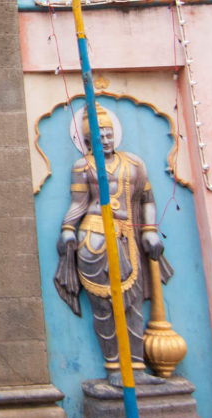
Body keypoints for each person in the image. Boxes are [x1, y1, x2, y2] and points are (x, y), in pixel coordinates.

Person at [54, 104, 172, 385]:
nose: (104, 140)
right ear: (86, 141)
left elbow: (148, 200)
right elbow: (78, 204)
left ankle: (137, 369)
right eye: (98, 136)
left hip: (127, 237)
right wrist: (68, 229)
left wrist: (151, 232)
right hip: (93, 240)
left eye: (108, 135)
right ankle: (115, 369)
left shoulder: (133, 164)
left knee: (132, 303)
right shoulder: (83, 166)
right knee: (104, 306)